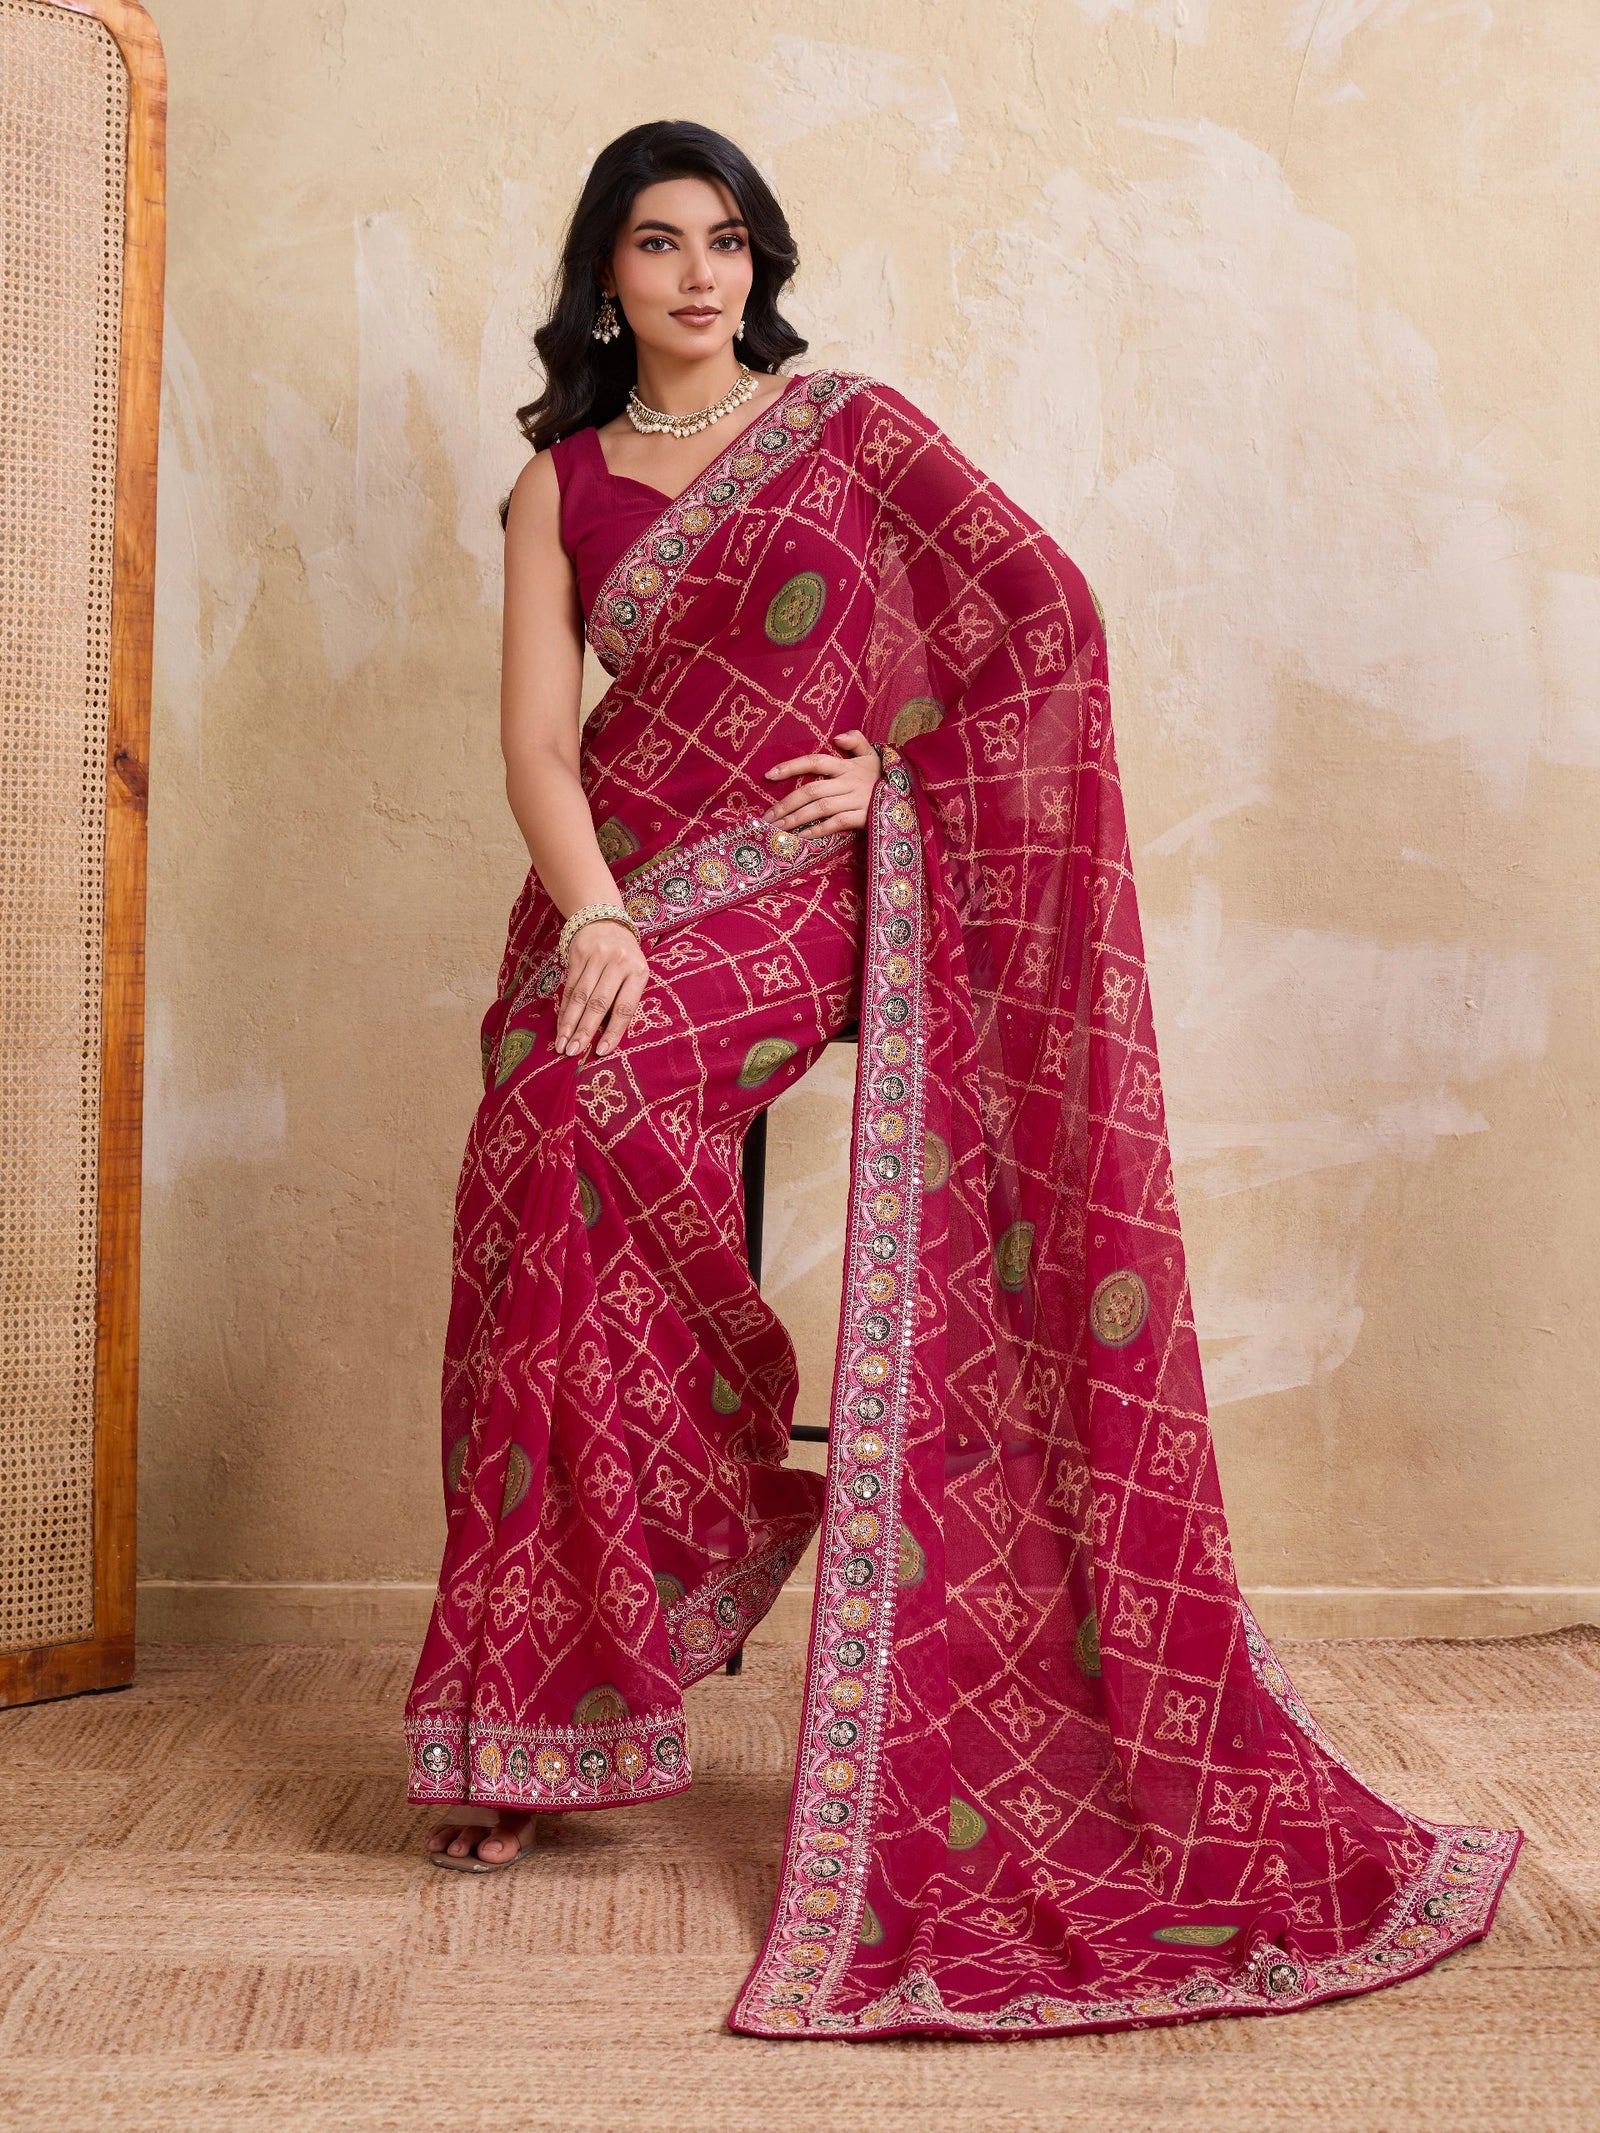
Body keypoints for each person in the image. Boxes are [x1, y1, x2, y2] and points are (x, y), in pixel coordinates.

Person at [403, 120, 1518, 2040]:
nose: (697, 276)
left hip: (807, 891)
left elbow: (1042, 628)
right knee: (538, 1130)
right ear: (603, 275)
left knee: (596, 1112)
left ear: (760, 266)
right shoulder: (557, 485)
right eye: (658, 245)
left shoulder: (851, 429)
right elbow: (539, 747)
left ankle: (715, 1506)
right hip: (621, 890)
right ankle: (552, 1690)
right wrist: (591, 918)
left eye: (727, 243)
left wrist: (893, 779)